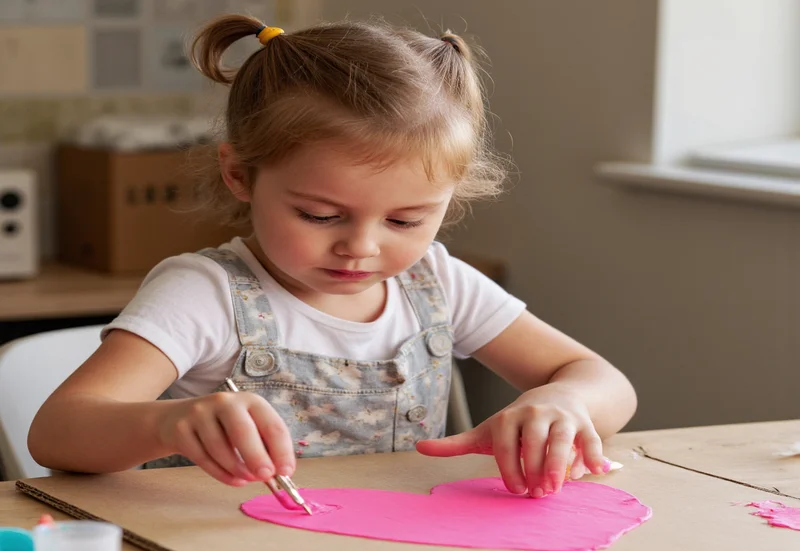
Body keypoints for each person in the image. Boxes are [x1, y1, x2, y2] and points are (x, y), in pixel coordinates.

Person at [28, 14, 636, 499]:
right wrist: (166, 423)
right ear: (241, 174)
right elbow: (58, 432)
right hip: (223, 550)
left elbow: (605, 382)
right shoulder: (205, 292)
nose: (361, 247)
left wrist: (562, 401)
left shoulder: (437, 282)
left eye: (406, 219)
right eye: (320, 215)